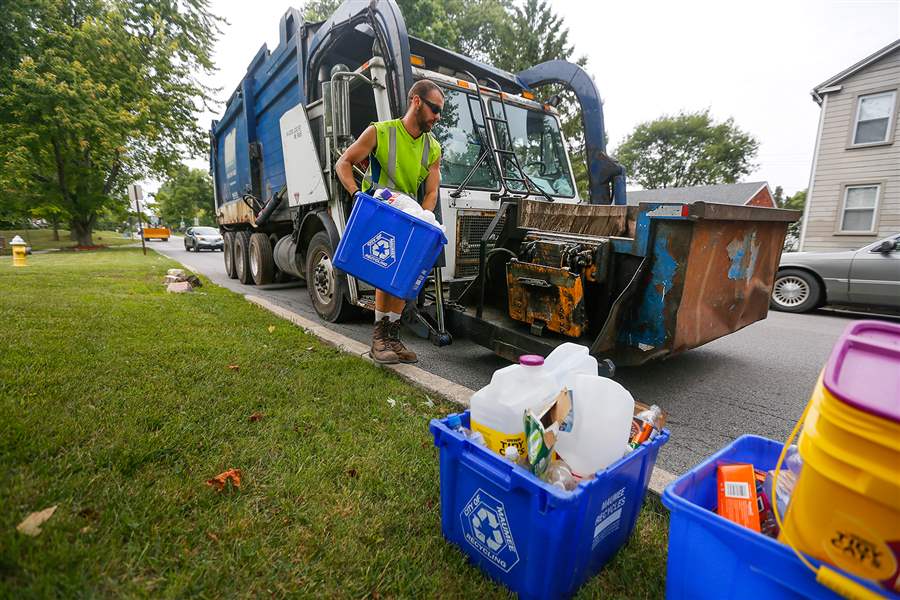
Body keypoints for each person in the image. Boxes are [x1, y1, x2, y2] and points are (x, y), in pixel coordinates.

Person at [335, 79, 444, 364]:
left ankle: (392, 339)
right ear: (416, 102)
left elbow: (432, 191)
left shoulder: (433, 148)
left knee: (402, 276)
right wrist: (356, 194)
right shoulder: (381, 132)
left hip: (410, 215)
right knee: (387, 272)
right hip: (382, 209)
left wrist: (424, 216)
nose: (438, 117)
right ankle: (379, 340)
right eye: (435, 109)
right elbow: (343, 163)